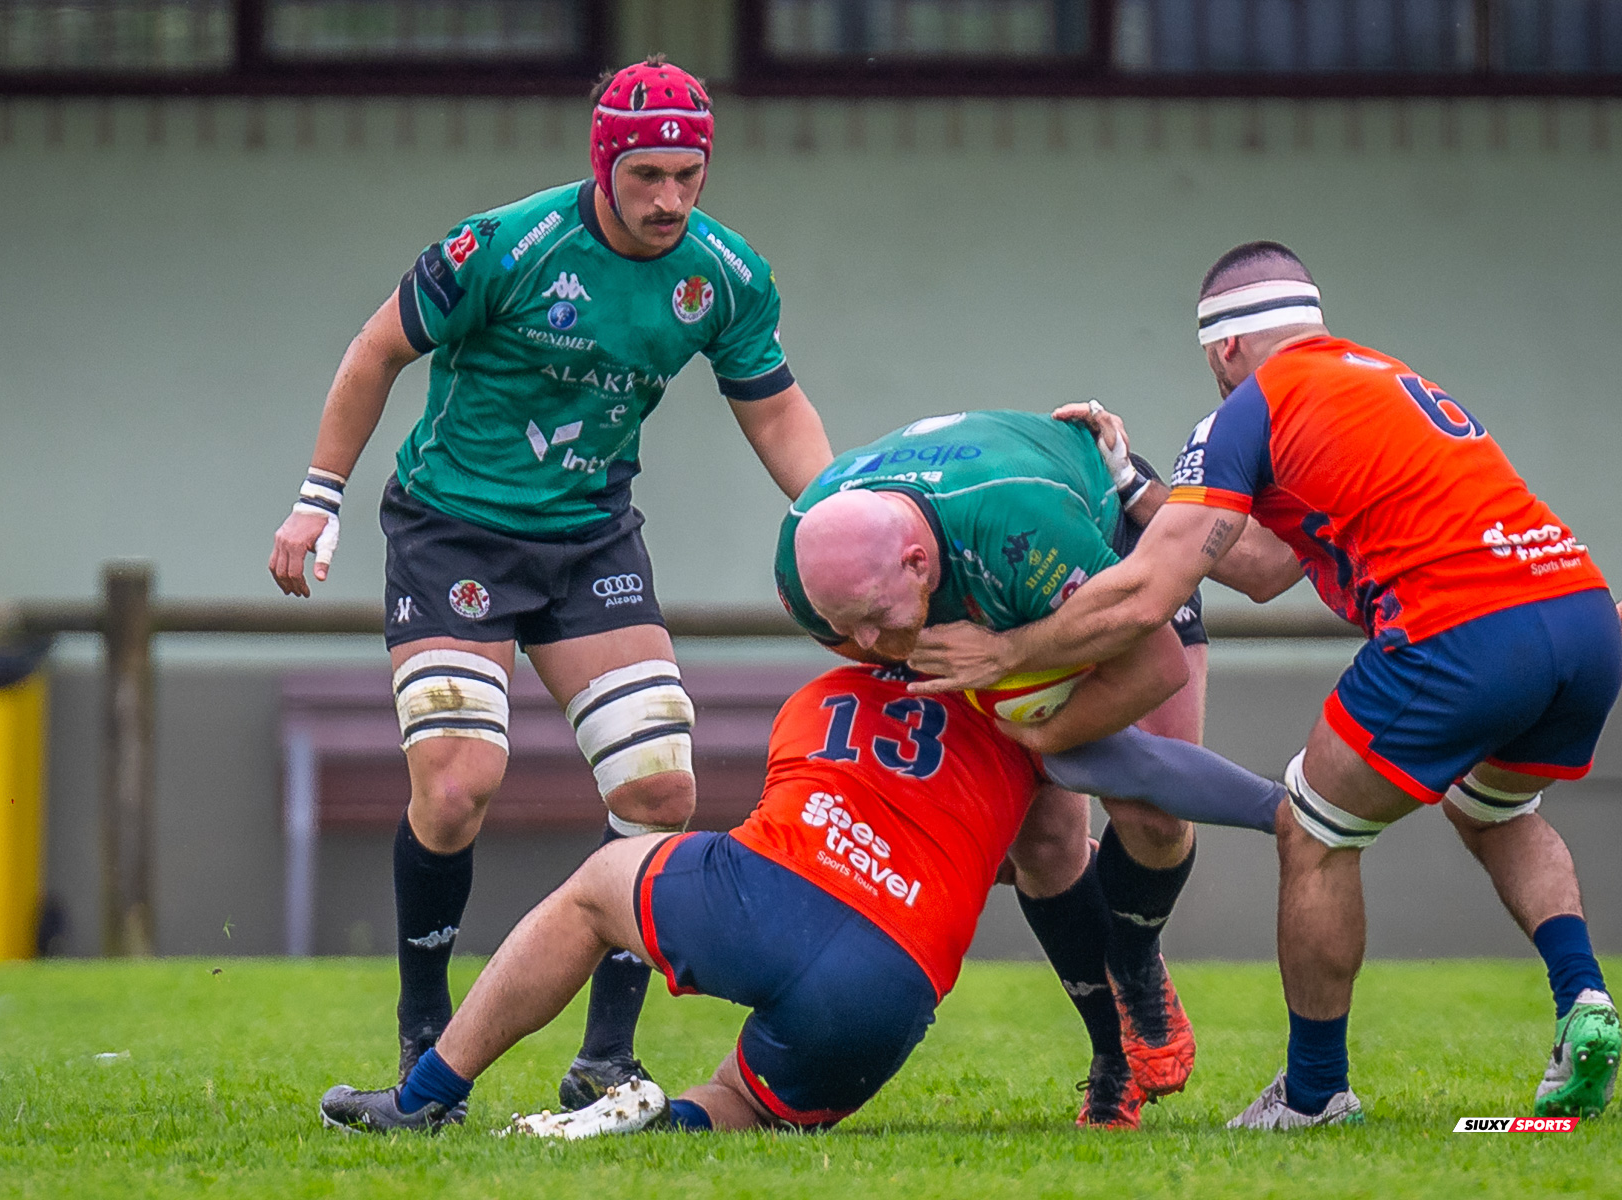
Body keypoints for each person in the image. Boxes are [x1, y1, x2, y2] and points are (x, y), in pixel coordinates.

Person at [909, 241, 1622, 1127]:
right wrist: (1131, 479)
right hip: (1584, 613)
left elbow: (1146, 596)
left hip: (1462, 629)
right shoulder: (1384, 378)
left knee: (1312, 831)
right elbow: (1261, 565)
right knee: (1496, 811)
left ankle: (1315, 1093)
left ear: (1221, 351)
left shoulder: (1252, 407)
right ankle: (1583, 999)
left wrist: (1003, 659)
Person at [267, 57, 833, 1110]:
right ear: (604, 164)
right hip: (453, 533)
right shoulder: (504, 247)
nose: (670, 199)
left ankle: (605, 1057)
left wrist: (842, 519)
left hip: (590, 543)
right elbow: (373, 350)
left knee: (659, 787)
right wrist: (317, 498)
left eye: (689, 175)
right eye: (648, 175)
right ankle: (425, 1027)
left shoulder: (724, 275)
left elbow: (777, 412)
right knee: (454, 786)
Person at [317, 662, 1140, 1134]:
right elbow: (1054, 868)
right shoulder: (1035, 722)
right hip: (887, 980)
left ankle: (424, 1099)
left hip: (765, 897)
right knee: (746, 1099)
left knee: (597, 891)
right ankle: (658, 1121)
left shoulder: (838, 676)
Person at [772, 409, 1226, 1128]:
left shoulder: (1018, 524)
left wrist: (1023, 689)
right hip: (991, 597)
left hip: (1095, 567)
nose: (865, 641)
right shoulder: (810, 565)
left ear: (919, 563)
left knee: (1153, 811)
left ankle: (1136, 961)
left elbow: (1157, 668)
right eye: (843, 625)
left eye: (873, 617)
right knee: (1042, 844)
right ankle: (1113, 1057)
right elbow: (864, 644)